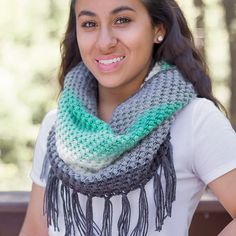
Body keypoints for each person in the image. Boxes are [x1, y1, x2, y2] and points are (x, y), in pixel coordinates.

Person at [20, 0, 236, 235]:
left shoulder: (195, 120)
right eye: (89, 24)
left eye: (122, 20)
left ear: (158, 29)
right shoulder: (57, 126)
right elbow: (35, 230)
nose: (104, 42)